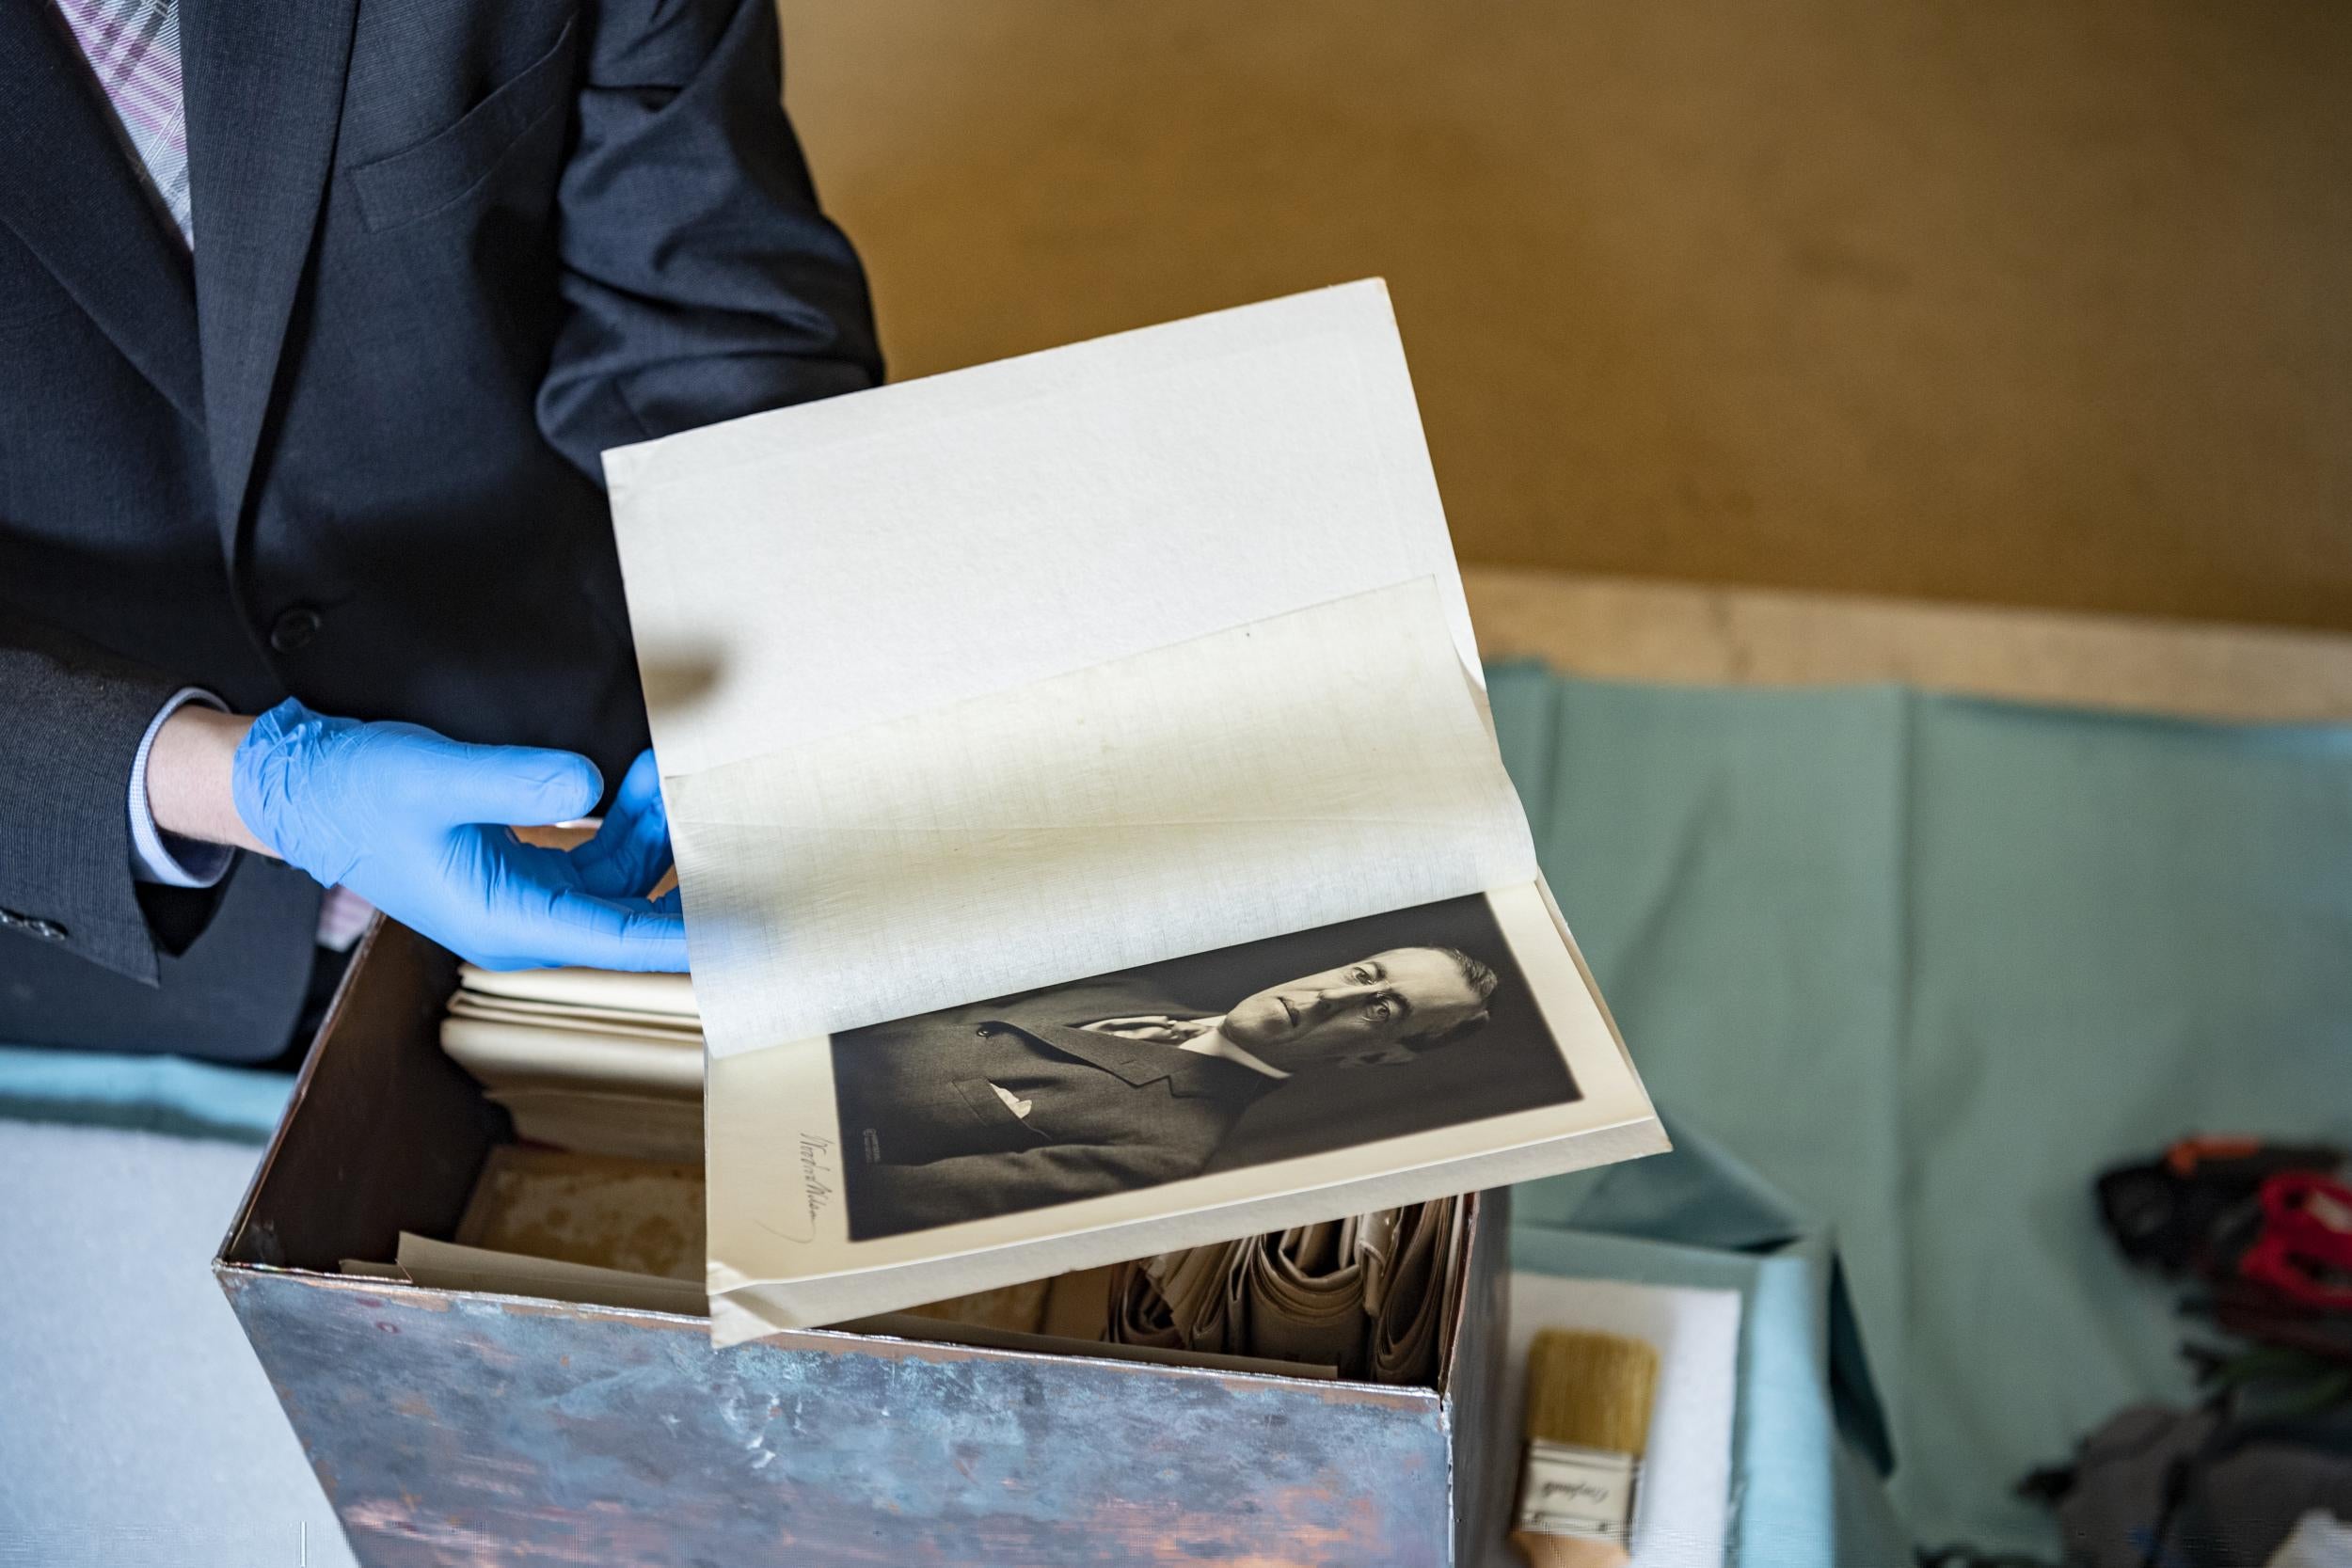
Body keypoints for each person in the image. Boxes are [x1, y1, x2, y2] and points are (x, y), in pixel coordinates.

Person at [0, 0, 881, 1059]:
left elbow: (704, 311)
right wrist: (233, 784)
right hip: (95, 918)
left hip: (595, 756)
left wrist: (778, 655)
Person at [834, 945, 1500, 1239]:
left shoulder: (1164, 1149)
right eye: (1364, 972)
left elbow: (881, 1207)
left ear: (1377, 1054)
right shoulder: (1133, 990)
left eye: (1381, 1009)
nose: (1333, 994)